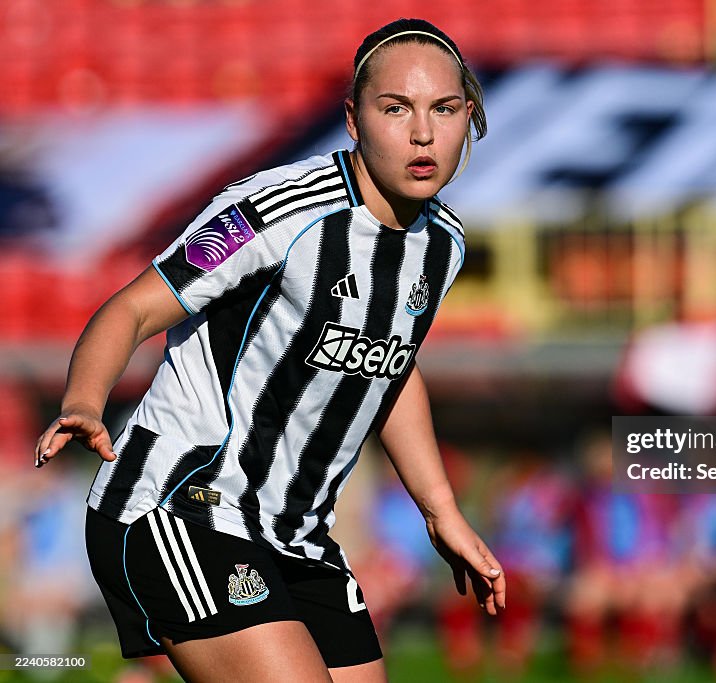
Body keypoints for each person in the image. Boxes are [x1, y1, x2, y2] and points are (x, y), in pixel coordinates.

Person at [33, 18, 504, 683]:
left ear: (469, 117)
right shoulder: (277, 211)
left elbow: (390, 367)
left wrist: (442, 511)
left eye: (444, 109)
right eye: (395, 108)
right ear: (353, 118)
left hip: (296, 536)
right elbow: (134, 306)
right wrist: (84, 400)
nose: (423, 132)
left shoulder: (441, 241)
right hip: (178, 505)